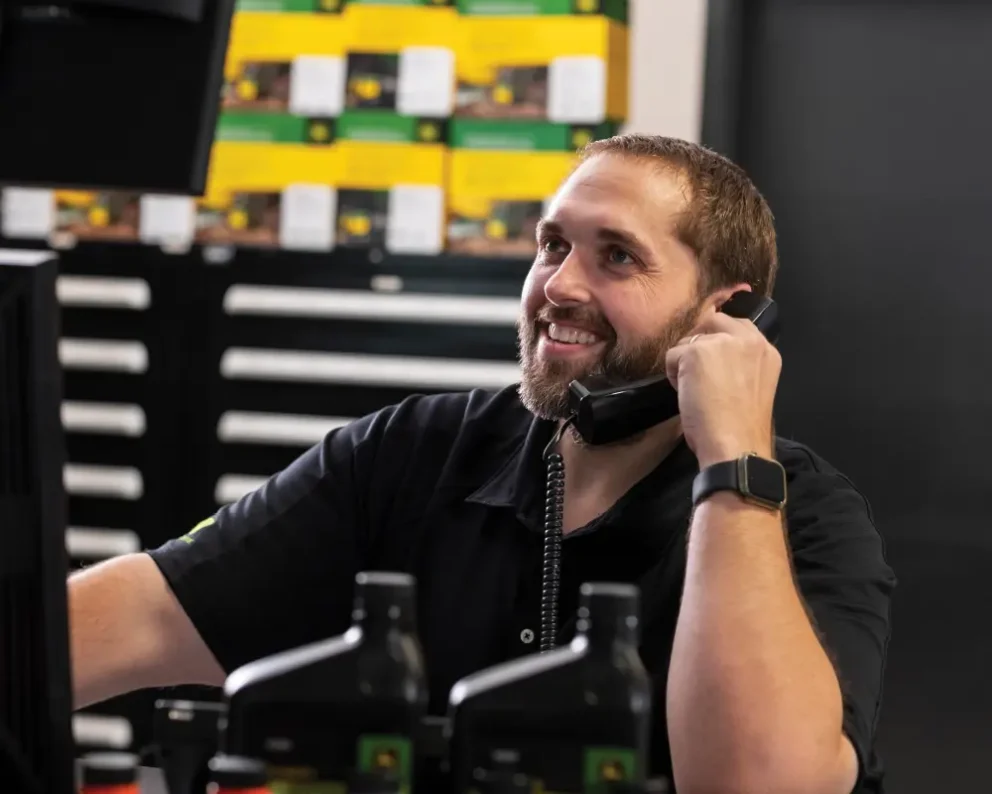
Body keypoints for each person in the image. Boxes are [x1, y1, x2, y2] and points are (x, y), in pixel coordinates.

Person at [68, 134, 895, 794]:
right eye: (551, 245)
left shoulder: (805, 516)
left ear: (731, 315)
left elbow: (758, 784)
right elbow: (133, 619)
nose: (558, 286)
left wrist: (733, 462)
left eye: (616, 257)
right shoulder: (412, 453)